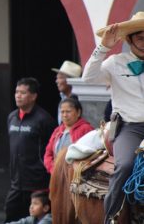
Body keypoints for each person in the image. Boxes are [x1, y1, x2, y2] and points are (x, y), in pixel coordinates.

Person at [81, 11, 144, 223]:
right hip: (130, 127)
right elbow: (88, 78)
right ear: (129, 39)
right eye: (140, 37)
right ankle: (111, 217)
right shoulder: (115, 62)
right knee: (125, 165)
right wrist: (104, 47)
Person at [5, 77, 56, 222]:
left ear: (33, 96)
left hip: (37, 183)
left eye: (23, 92)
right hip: (16, 182)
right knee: (11, 215)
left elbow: (51, 150)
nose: (18, 95)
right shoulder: (12, 117)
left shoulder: (44, 119)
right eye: (16, 92)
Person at [43, 97, 94, 173]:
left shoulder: (86, 129)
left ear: (78, 112)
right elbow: (48, 153)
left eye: (68, 111)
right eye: (62, 112)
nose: (65, 115)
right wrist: (53, 169)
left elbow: (91, 154)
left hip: (77, 176)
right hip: (57, 175)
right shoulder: (57, 131)